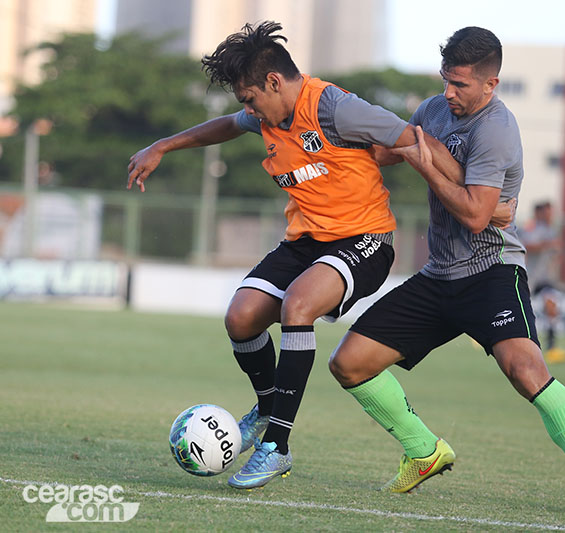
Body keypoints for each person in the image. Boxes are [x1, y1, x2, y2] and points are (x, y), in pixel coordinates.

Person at [126, 21, 469, 490]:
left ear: (273, 82)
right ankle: (268, 409)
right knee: (242, 316)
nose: (248, 110)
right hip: (306, 241)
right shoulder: (267, 116)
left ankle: (276, 447)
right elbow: (227, 125)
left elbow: (411, 139)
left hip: (364, 240)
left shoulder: (336, 108)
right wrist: (162, 145)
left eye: (249, 98)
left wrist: (472, 198)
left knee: (298, 305)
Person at [329, 27, 565, 518]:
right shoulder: (433, 110)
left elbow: (474, 214)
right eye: (446, 80)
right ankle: (424, 452)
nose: (448, 93)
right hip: (439, 274)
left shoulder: (497, 130)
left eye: (460, 85)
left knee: (526, 371)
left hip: (491, 272)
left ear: (491, 84)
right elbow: (387, 148)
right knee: (350, 362)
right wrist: (332, 136)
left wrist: (423, 164)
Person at [521, 200, 565, 364]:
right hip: (530, 277)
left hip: (546, 279)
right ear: (539, 213)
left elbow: (556, 254)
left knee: (552, 306)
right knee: (517, 309)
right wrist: (548, 245)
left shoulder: (552, 231)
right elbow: (527, 246)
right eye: (547, 212)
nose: (550, 215)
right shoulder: (533, 229)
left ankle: (552, 348)